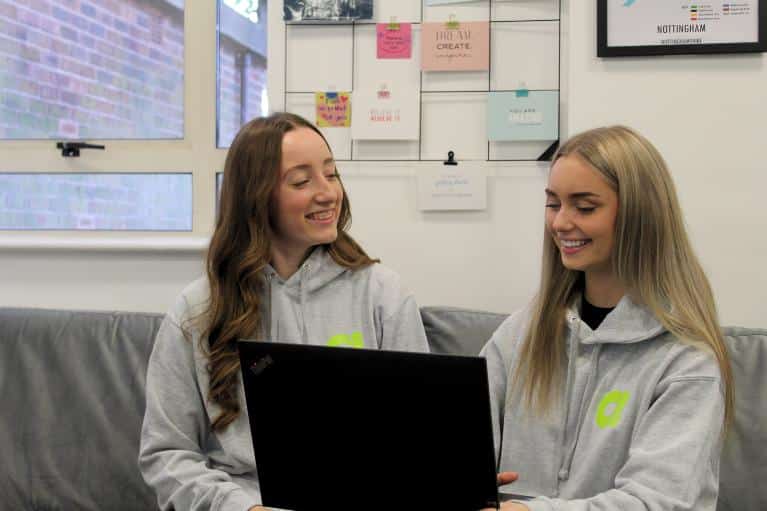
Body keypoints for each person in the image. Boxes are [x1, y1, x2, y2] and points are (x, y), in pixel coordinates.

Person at [138, 112, 429, 511]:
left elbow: (422, 439)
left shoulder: (383, 294)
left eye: (332, 174)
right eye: (301, 181)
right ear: (256, 197)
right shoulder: (197, 310)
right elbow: (166, 454)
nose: (328, 192)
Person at [480, 126, 733, 510]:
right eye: (553, 203)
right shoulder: (521, 333)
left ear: (638, 216)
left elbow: (655, 502)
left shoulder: (686, 360)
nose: (561, 223)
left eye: (584, 207)